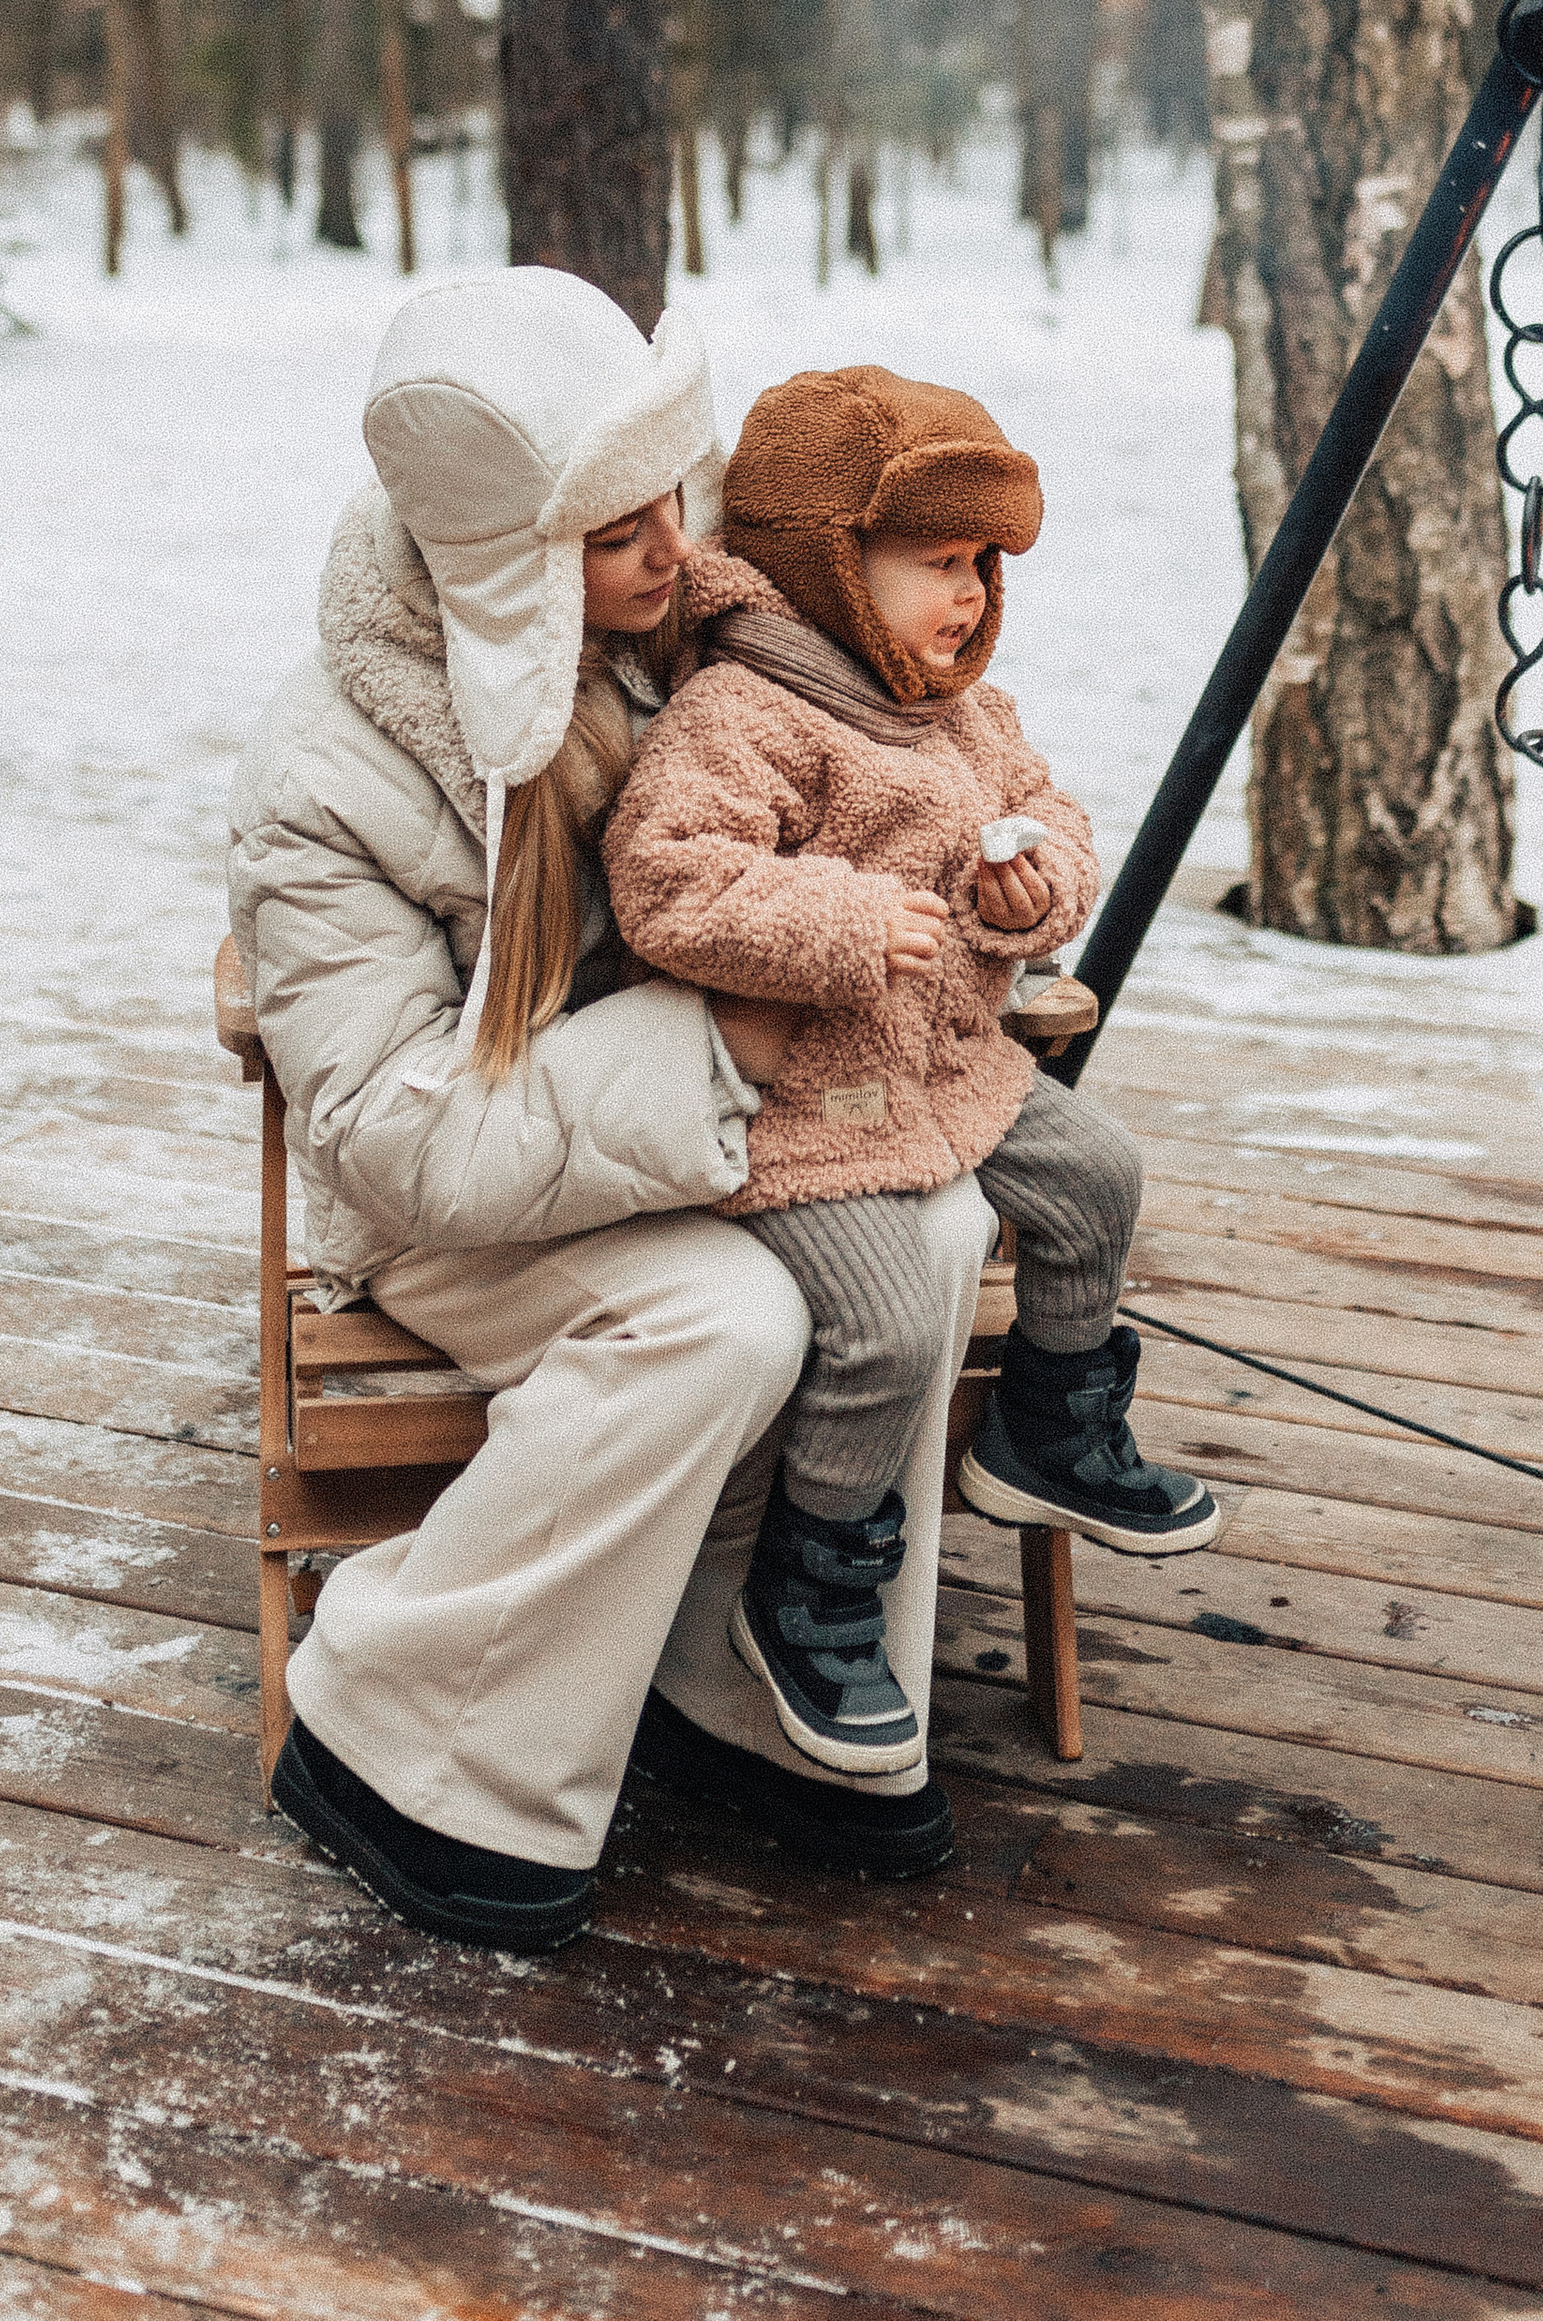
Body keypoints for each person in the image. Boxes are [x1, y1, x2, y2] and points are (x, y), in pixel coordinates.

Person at [226, 274, 990, 1952]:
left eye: (671, 494)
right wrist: (717, 1034)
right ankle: (412, 1730)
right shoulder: (331, 778)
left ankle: (757, 1682)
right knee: (717, 1323)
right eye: (611, 531)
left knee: (937, 1223)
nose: (670, 546)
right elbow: (389, 1134)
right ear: (500, 568)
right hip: (460, 1205)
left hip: (697, 1133)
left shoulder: (681, 634)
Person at [603, 363, 1220, 1780]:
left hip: (950, 1070)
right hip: (804, 1105)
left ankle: (1051, 1425)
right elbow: (667, 885)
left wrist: (1040, 888)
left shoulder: (961, 710)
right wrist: (835, 919)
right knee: (883, 1325)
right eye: (935, 562)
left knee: (1098, 1178)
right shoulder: (742, 714)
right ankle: (810, 1582)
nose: (970, 597)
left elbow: (1047, 813)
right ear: (828, 561)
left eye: (984, 565)